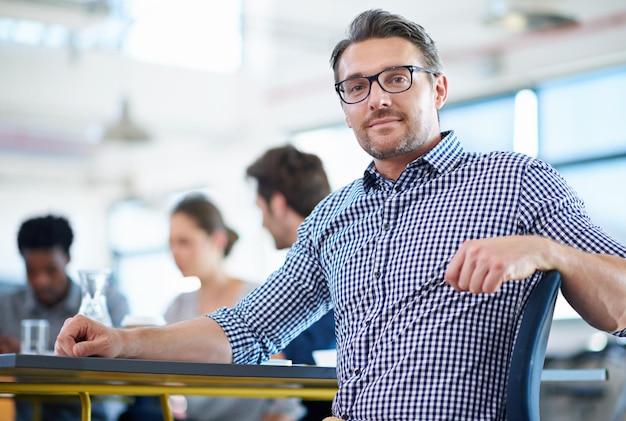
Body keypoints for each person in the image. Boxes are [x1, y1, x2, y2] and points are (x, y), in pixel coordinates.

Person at [54, 9, 626, 420]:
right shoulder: (334, 217)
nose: (376, 98)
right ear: (345, 108)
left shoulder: (514, 181)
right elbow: (247, 329)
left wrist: (549, 252)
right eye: (356, 86)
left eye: (396, 79)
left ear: (440, 88)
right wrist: (125, 342)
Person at [120, 194, 305, 421]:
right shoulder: (178, 307)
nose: (175, 253)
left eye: (184, 242)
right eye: (171, 243)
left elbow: (285, 396)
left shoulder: (256, 298)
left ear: (217, 240)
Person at [0, 214, 129, 421]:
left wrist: (26, 355)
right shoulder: (5, 307)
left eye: (51, 270)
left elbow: (121, 366)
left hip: (91, 413)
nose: (41, 281)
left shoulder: (109, 304)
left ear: (67, 258)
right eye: (31, 271)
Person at [246, 145, 337, 420]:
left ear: (278, 203)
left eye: (261, 209)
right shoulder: (347, 261)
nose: (262, 224)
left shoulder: (311, 283)